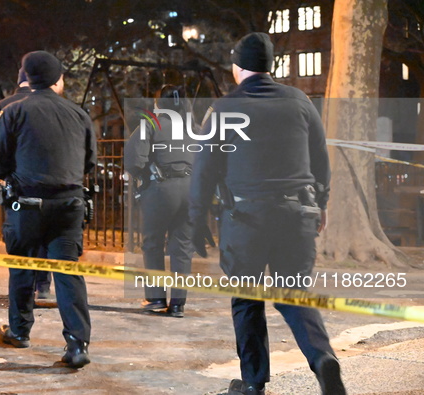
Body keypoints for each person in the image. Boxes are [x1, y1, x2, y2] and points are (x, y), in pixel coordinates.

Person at [189, 33, 345, 395]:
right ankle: (322, 358)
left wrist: (196, 220)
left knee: (246, 298)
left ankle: (253, 383)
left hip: (247, 220)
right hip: (297, 215)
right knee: (294, 293)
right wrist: (320, 203)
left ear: (237, 66)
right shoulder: (301, 101)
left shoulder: (225, 108)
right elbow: (321, 161)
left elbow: (204, 171)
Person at [0, 50, 97, 369]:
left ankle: (19, 331)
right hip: (69, 206)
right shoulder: (79, 113)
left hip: (26, 204)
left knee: (21, 268)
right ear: (59, 80)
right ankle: (77, 344)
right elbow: (89, 162)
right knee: (67, 273)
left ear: (26, 77)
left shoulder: (11, 110)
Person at [124, 85, 196, 318]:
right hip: (192, 189)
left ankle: (155, 297)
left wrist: (145, 176)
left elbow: (134, 159)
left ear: (158, 104)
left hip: (161, 189)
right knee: (182, 247)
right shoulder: (194, 127)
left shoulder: (151, 123)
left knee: (153, 242)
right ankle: (178, 304)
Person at [0, 60, 54, 300]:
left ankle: (23, 292)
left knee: (20, 237)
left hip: (14, 185)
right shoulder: (52, 105)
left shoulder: (1, 107)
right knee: (46, 233)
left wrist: (1, 178)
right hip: (48, 182)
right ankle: (43, 284)